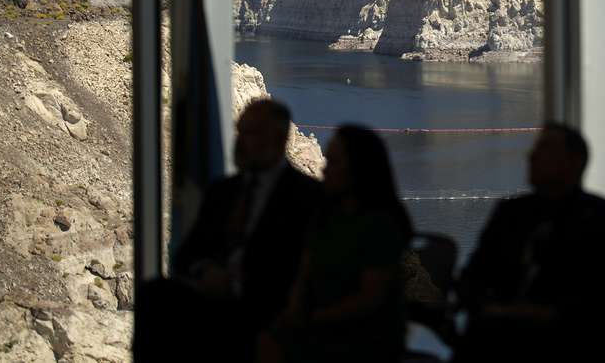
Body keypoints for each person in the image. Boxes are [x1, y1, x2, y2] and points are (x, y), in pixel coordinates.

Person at [134, 99, 322, 363]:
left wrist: (238, 283)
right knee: (155, 295)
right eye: (240, 132)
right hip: (216, 298)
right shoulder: (224, 191)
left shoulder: (307, 197)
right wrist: (206, 272)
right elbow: (186, 255)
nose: (241, 142)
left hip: (270, 306)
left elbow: (304, 269)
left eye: (252, 134)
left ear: (278, 140)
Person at [456, 123, 605, 363]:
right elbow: (472, 277)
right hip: (500, 336)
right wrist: (489, 308)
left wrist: (543, 315)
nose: (531, 156)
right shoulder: (509, 213)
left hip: (576, 341)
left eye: (545, 149)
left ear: (574, 162)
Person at [259, 124, 414, 363]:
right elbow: (305, 273)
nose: (325, 169)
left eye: (333, 163)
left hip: (362, 338)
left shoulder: (380, 227)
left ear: (356, 170)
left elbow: (369, 298)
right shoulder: (324, 218)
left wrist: (314, 319)